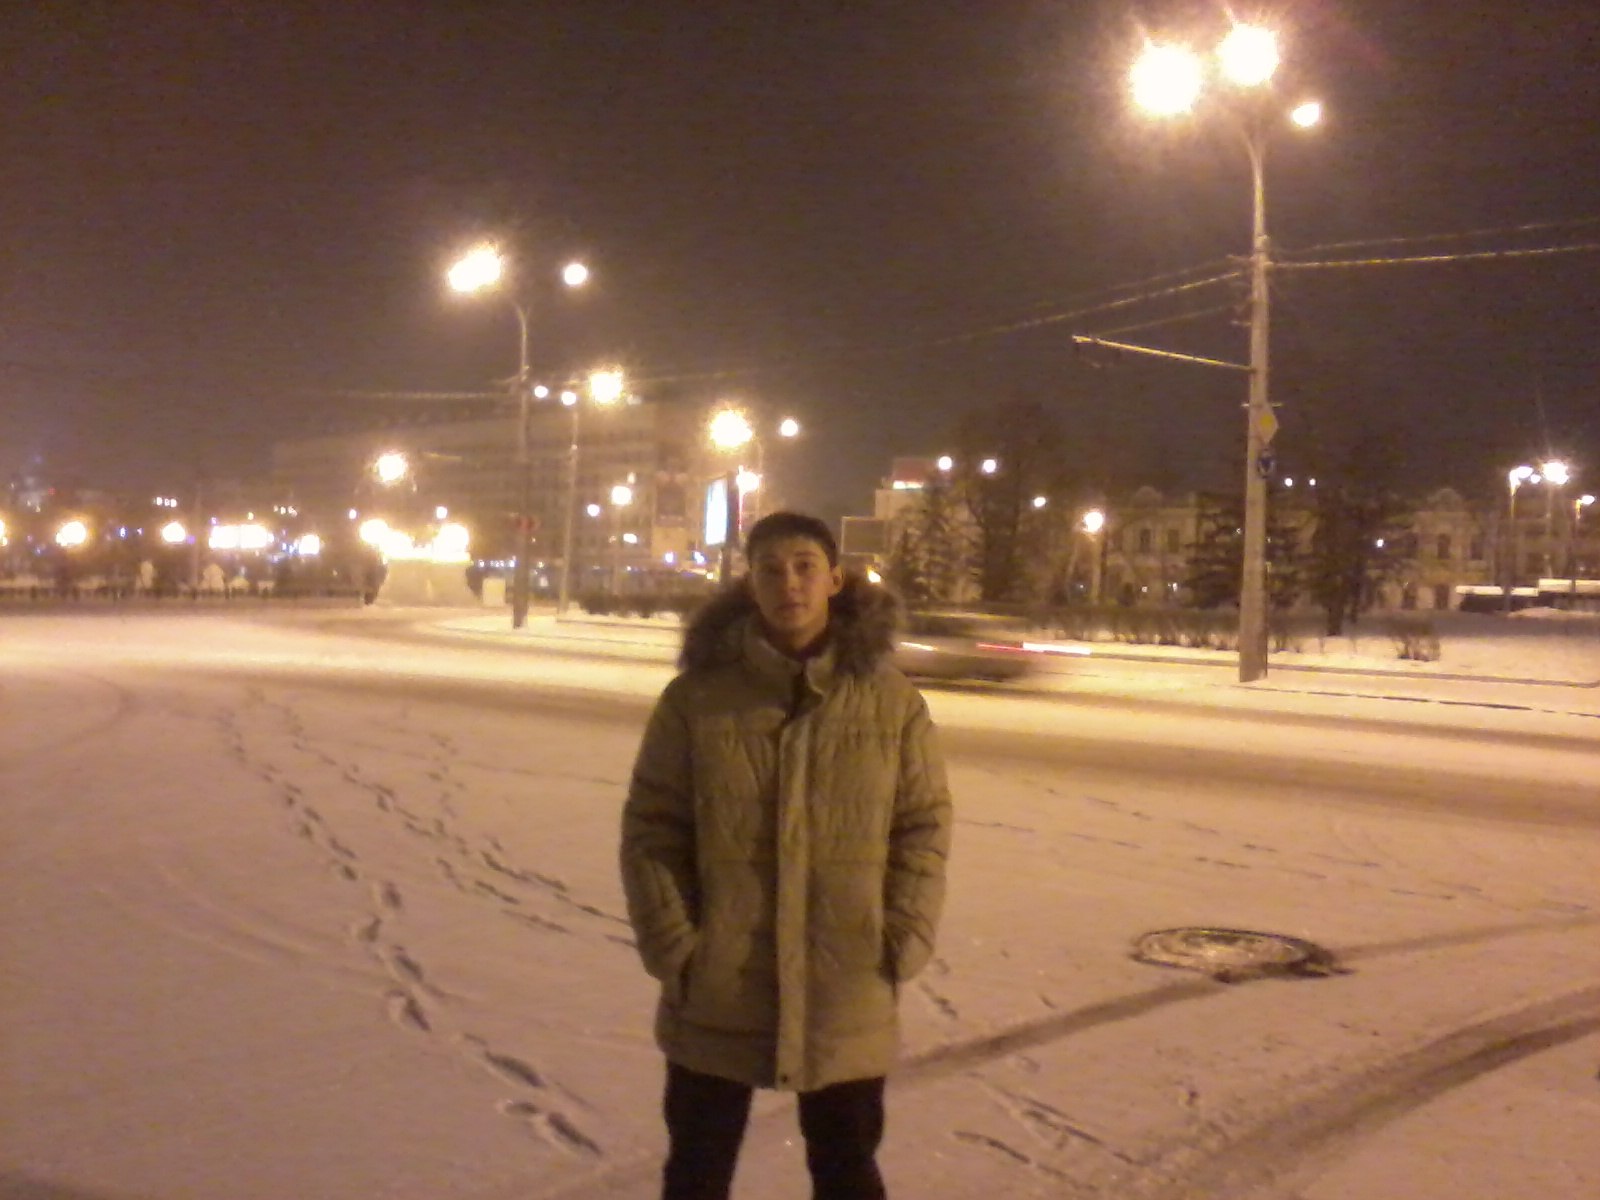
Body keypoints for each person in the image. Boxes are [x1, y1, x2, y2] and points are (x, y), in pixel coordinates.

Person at [621, 511, 953, 1200]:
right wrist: (676, 944)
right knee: (697, 1174)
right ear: (750, 584)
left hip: (845, 982)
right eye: (770, 569)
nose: (789, 583)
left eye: (805, 566)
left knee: (847, 1171)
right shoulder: (697, 700)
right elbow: (654, 828)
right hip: (718, 984)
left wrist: (902, 932)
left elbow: (922, 825)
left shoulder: (891, 703)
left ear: (835, 579)